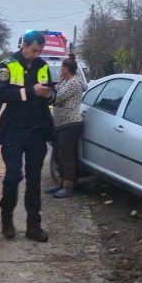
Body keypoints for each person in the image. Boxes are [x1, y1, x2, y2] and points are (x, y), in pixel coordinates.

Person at [0, 30, 55, 242]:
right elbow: (1, 94)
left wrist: (50, 94)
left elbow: (48, 91)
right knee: (13, 176)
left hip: (36, 129)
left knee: (34, 180)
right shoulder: (7, 65)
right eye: (34, 50)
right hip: (13, 129)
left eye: (40, 51)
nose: (36, 54)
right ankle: (7, 217)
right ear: (24, 45)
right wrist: (31, 92)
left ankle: (33, 225)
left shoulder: (42, 65)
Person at [49, 58, 86, 198]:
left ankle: (68, 187)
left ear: (66, 68)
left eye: (62, 67)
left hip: (70, 124)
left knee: (67, 157)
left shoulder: (74, 83)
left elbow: (57, 98)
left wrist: (56, 86)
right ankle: (60, 183)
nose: (60, 70)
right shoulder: (66, 81)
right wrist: (59, 83)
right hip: (61, 124)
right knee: (58, 154)